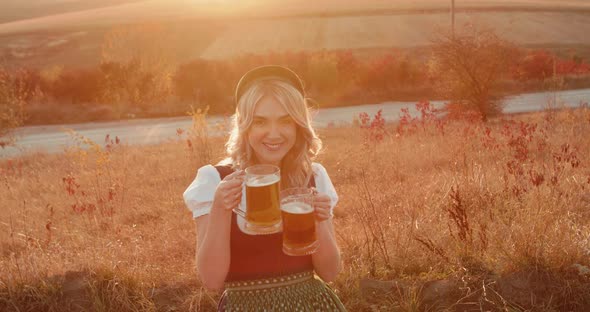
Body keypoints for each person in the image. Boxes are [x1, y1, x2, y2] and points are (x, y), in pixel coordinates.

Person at [183, 65, 346, 311]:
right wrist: (220, 209)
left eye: (285, 121)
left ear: (298, 126)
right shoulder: (215, 180)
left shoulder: (313, 176)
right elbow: (212, 280)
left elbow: (331, 272)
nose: (274, 134)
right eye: (260, 122)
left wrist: (320, 220)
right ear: (245, 126)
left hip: (311, 305)